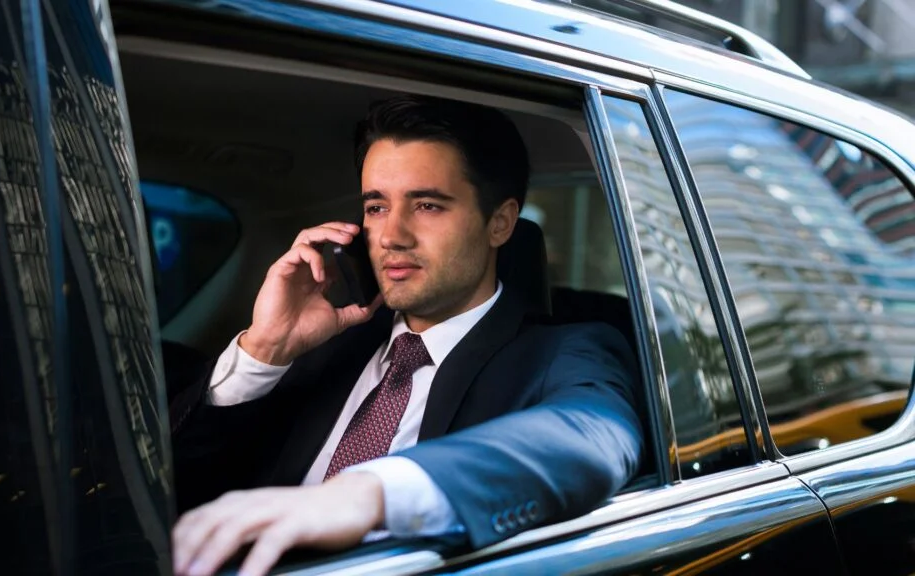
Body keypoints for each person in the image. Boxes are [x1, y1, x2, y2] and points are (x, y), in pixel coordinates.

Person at [168, 95, 644, 576]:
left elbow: (596, 434)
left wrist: (368, 492)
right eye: (376, 206)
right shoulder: (320, 345)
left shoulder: (563, 350)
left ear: (499, 222)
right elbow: (172, 489)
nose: (391, 235)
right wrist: (265, 350)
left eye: (428, 205)